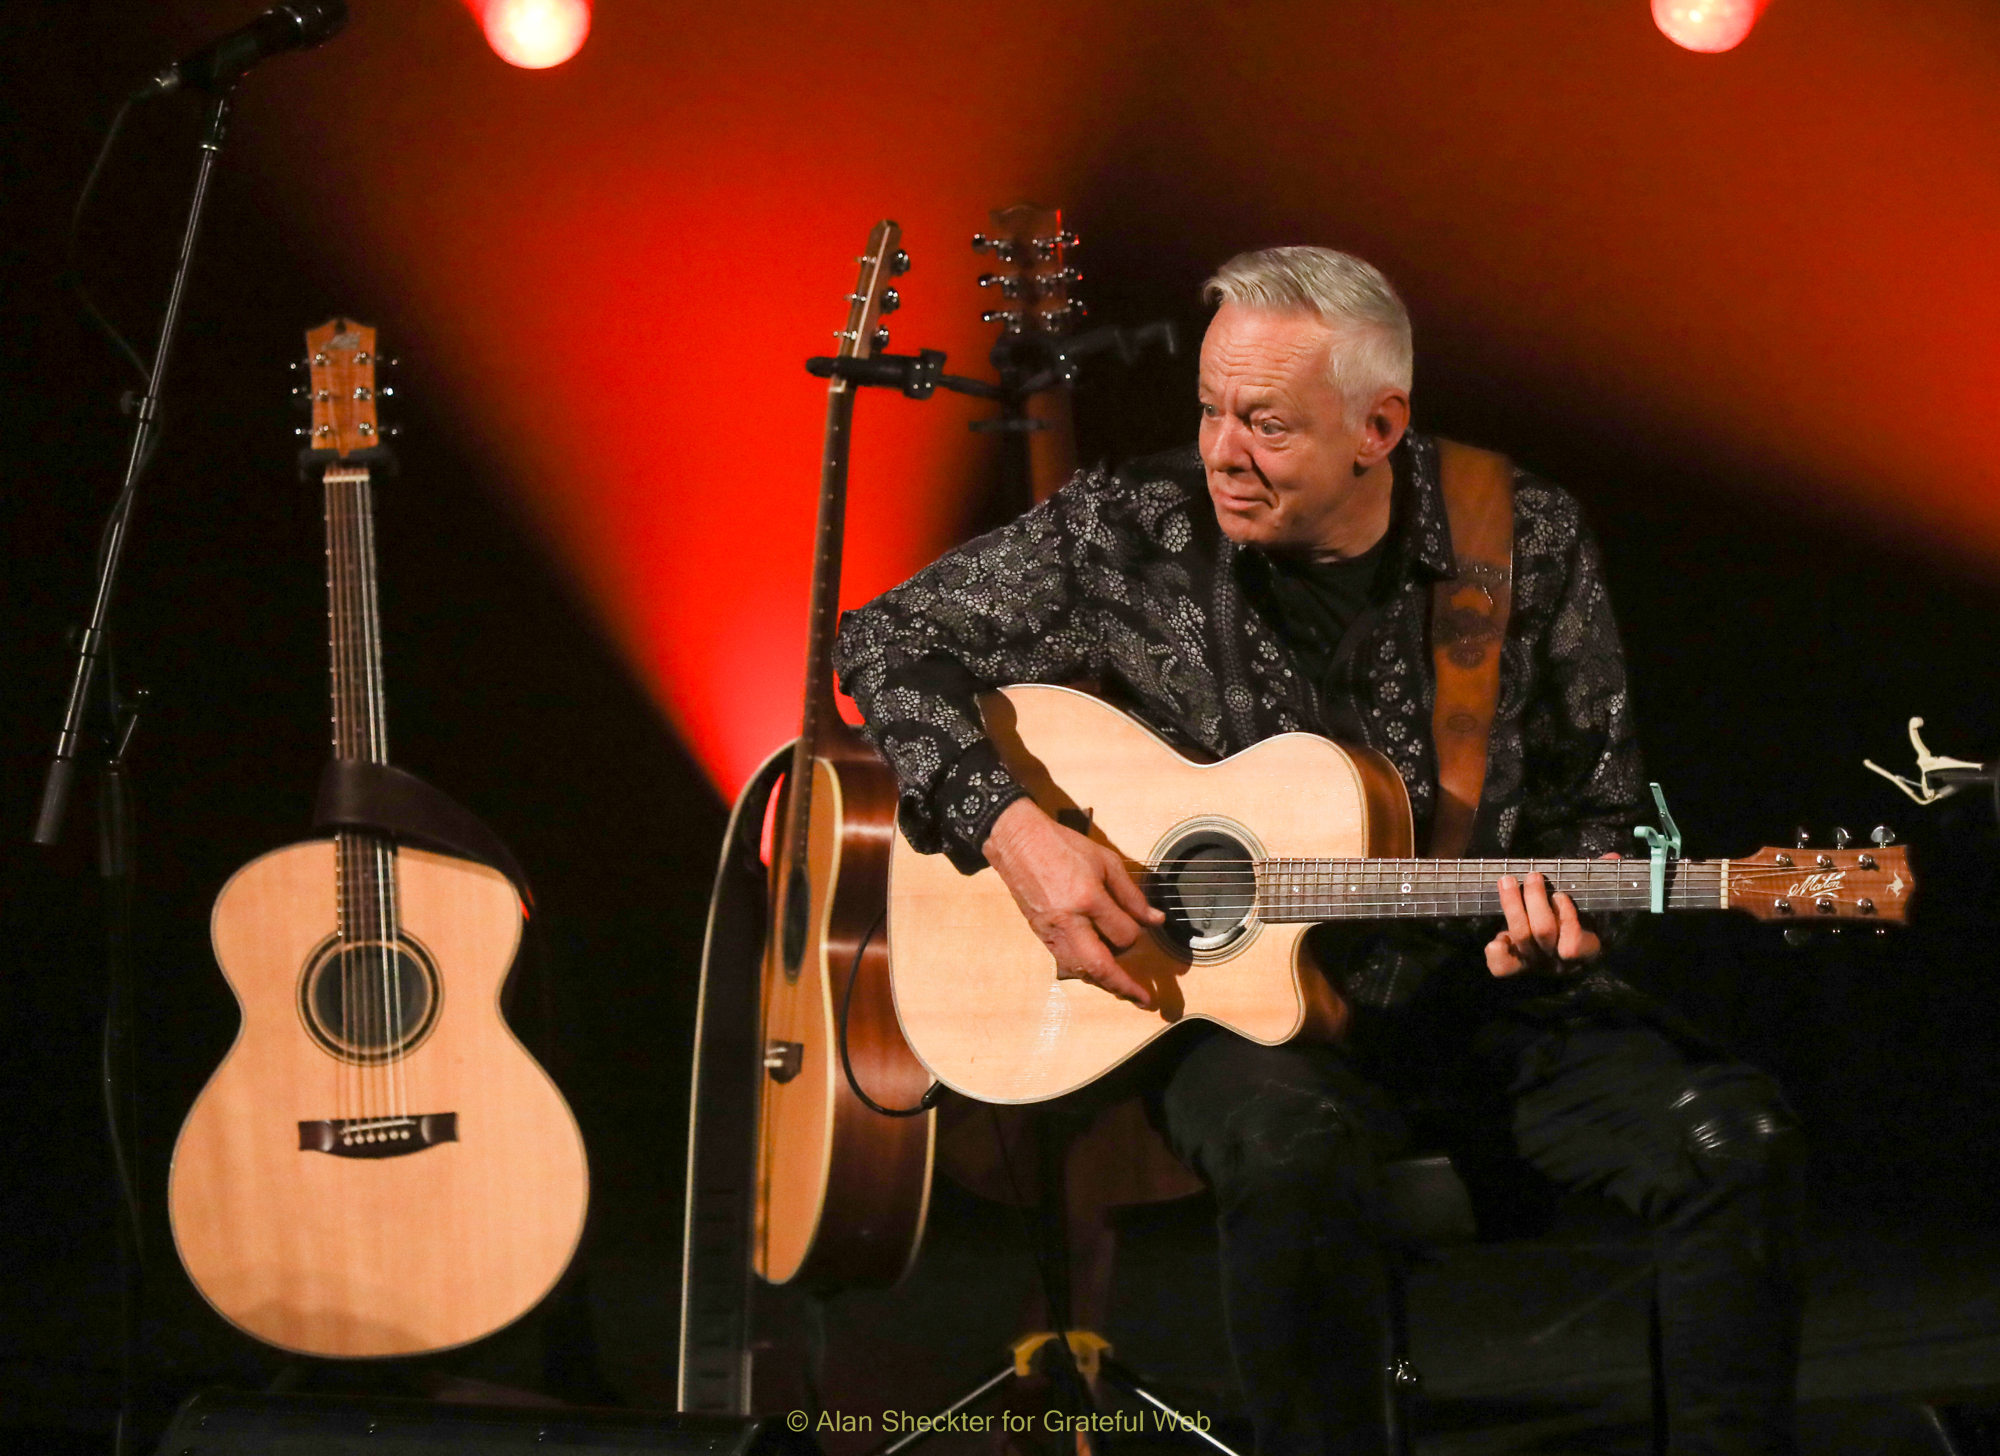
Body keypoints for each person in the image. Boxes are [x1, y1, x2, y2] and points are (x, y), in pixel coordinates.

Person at [833, 247, 1803, 1455]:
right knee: (1295, 1153)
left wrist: (1559, 935)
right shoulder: (1135, 526)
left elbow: (1595, 818)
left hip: (1479, 1005)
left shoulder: (1523, 538)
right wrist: (1013, 830)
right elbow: (882, 640)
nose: (1222, 451)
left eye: (1266, 424)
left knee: (1733, 1137)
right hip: (1237, 1018)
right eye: (1207, 409)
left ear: (1377, 425)